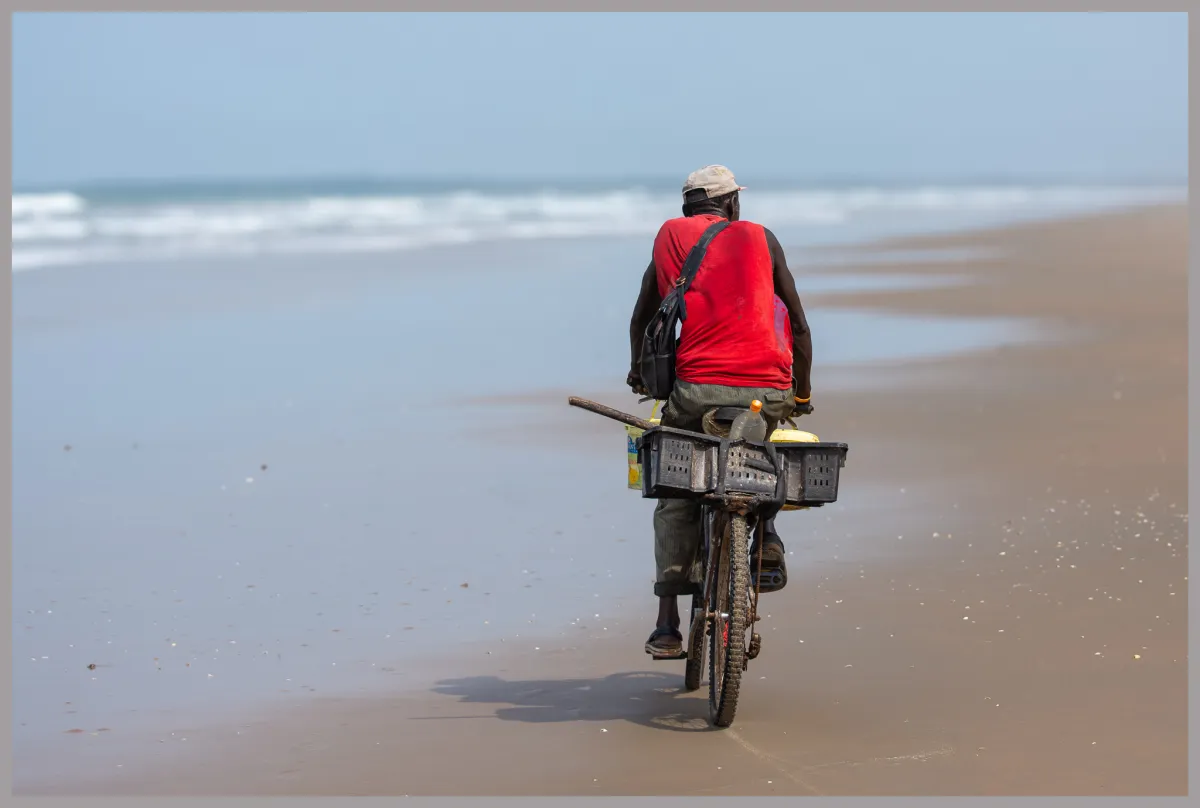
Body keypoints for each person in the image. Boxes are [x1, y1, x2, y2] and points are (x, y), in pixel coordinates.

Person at [626, 165, 814, 658]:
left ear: (688, 206)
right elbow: (797, 322)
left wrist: (637, 373)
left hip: (694, 392)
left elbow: (643, 316)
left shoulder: (670, 237)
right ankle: (766, 532)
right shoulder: (762, 238)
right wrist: (800, 395)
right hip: (766, 388)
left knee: (676, 488)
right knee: (763, 444)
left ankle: (667, 625)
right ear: (730, 204)